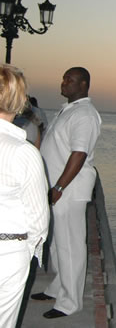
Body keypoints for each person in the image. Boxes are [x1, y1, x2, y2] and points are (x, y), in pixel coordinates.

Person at [33, 67, 101, 319]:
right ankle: (57, 288)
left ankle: (70, 302)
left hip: (69, 190)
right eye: (63, 78)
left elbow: (79, 154)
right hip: (58, 188)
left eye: (69, 80)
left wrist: (59, 186)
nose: (63, 83)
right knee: (59, 245)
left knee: (70, 245)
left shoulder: (84, 114)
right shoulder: (69, 110)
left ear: (83, 84)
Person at [0, 65, 49, 328]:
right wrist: (27, 250)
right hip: (8, 253)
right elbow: (39, 220)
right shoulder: (24, 153)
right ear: (20, 102)